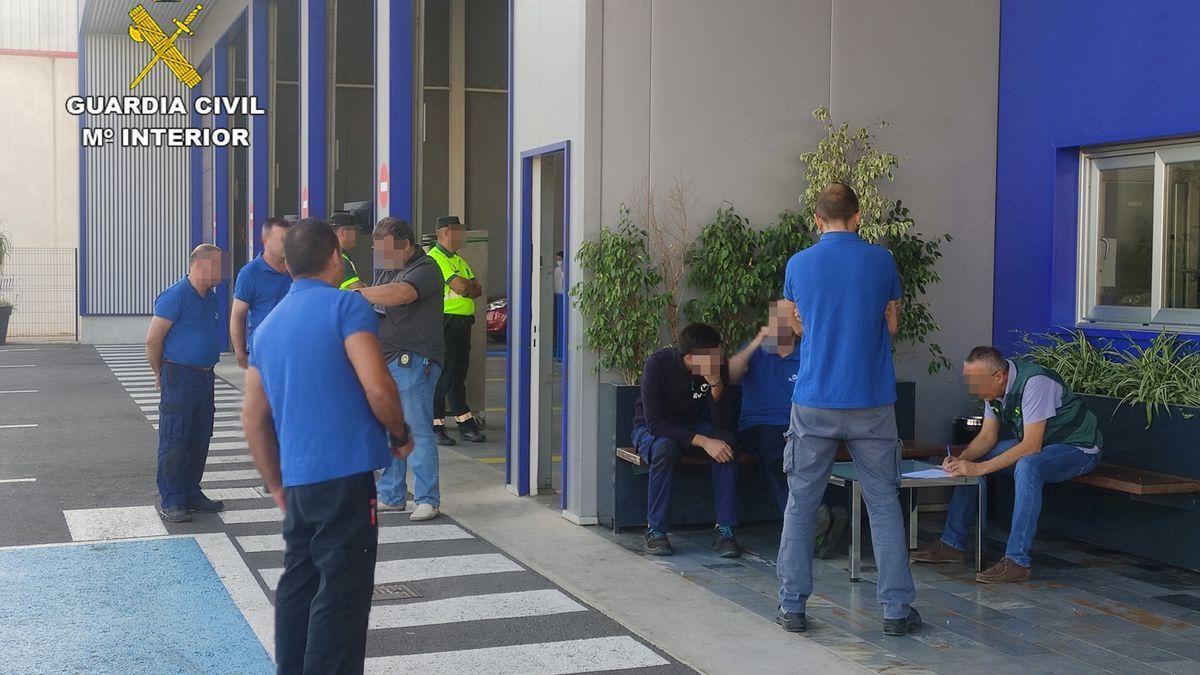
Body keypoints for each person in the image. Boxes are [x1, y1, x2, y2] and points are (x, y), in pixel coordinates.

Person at [242, 218, 414, 673]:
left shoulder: (269, 326)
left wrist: (277, 485)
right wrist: (400, 434)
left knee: (299, 586)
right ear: (335, 256)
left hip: (299, 482)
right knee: (341, 597)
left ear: (289, 264)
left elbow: (252, 418)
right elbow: (378, 388)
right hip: (345, 475)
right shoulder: (346, 308)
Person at [775, 183, 919, 636]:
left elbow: (791, 325)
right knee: (883, 505)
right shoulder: (882, 261)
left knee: (801, 503)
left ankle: (792, 607)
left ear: (817, 220)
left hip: (814, 399)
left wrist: (816, 329)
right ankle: (896, 611)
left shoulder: (798, 264)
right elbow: (893, 322)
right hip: (872, 402)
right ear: (858, 216)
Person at [911, 346, 1102, 583]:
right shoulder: (994, 391)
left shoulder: (1035, 383)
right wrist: (963, 460)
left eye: (976, 382)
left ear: (998, 376)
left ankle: (1017, 560)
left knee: (1028, 466)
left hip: (1078, 448)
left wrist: (979, 469)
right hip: (1044, 445)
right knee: (975, 459)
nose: (973, 389)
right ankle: (952, 544)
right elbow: (987, 437)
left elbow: (1031, 446)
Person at [729, 300, 849, 559]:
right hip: (759, 427)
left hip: (799, 426)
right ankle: (817, 520)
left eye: (789, 319)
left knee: (804, 449)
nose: (782, 324)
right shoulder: (757, 352)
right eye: (777, 318)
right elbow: (730, 374)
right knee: (779, 453)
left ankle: (817, 529)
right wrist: (757, 340)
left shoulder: (807, 354)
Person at [359, 217, 445, 521]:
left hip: (414, 360)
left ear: (406, 245)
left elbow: (402, 294)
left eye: (385, 249)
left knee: (417, 428)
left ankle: (427, 498)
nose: (379, 255)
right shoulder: (389, 269)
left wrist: (358, 294)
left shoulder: (425, 268)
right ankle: (392, 494)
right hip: (388, 360)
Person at [632, 323, 741, 559]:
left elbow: (722, 423)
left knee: (726, 443)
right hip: (651, 429)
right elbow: (656, 424)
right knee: (665, 449)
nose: (718, 359)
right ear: (691, 357)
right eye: (713, 355)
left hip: (694, 424)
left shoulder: (716, 366)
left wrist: (716, 388)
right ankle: (656, 531)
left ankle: (724, 529)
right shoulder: (657, 365)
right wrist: (703, 442)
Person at [145, 244, 224, 523]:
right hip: (179, 375)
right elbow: (153, 340)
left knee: (200, 436)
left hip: (204, 375)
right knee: (175, 438)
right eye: (217, 265)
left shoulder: (211, 298)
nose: (221, 272)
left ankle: (191, 491)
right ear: (200, 265)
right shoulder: (176, 295)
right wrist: (160, 374)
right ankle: (172, 499)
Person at [426, 215, 486, 445]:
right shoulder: (436, 258)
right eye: (458, 231)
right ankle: (436, 424)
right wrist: (467, 287)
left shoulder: (459, 260)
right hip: (445, 323)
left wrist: (468, 287)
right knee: (443, 375)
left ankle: (464, 422)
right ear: (446, 232)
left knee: (458, 375)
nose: (462, 236)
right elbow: (461, 286)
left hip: (461, 324)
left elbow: (477, 289)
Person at [231, 217, 293, 369]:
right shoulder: (250, 274)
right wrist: (239, 352)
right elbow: (237, 315)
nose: (288, 244)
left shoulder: (297, 270)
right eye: (282, 239)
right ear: (265, 240)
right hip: (263, 354)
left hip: (294, 352)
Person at [330, 211, 366, 290]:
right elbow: (360, 290)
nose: (357, 235)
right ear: (343, 232)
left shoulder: (332, 254)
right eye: (355, 231)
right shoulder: (340, 259)